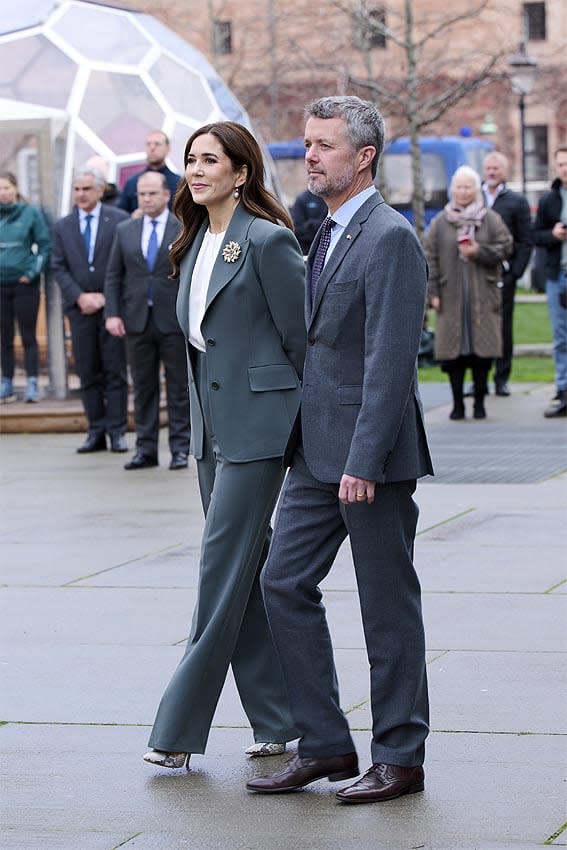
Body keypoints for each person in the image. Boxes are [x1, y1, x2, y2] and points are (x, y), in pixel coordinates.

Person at [246, 95, 433, 804]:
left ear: (363, 158)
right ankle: (323, 745)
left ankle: (400, 756)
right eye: (306, 143)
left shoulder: (389, 237)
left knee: (386, 607)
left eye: (323, 145)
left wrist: (362, 459)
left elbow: (390, 361)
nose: (309, 155)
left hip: (369, 460)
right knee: (281, 583)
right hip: (312, 450)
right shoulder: (320, 231)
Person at [143, 121, 306, 770]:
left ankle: (177, 728)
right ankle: (280, 718)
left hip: (259, 431)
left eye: (210, 159)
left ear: (242, 173)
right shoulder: (191, 244)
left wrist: (306, 431)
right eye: (190, 159)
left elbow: (302, 340)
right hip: (212, 434)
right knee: (245, 575)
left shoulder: (267, 241)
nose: (195, 169)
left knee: (219, 571)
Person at [104, 171, 190, 470]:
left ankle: (180, 448)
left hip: (172, 320)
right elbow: (114, 275)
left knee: (178, 387)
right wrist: (113, 313)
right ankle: (146, 449)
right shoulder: (126, 230)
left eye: (152, 193)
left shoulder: (183, 228)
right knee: (143, 388)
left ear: (166, 195)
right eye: (142, 194)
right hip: (136, 320)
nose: (147, 199)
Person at [51, 167, 130, 453]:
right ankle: (95, 429)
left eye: (86, 189)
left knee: (115, 372)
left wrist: (107, 300)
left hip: (112, 311)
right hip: (80, 310)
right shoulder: (63, 226)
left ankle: (117, 431)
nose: (81, 194)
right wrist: (80, 296)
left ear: (99, 191)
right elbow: (58, 265)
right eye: (77, 189)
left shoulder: (119, 221)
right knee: (87, 371)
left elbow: (123, 266)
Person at [425, 165, 513, 421]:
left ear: (476, 190)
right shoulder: (441, 222)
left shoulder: (490, 219)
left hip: (482, 295)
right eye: (459, 187)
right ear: (453, 190)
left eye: (468, 187)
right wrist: (434, 292)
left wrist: (479, 252)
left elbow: (506, 246)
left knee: (481, 352)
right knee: (453, 354)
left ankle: (480, 402)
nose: (463, 192)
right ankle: (457, 404)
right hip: (451, 296)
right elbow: (430, 257)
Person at [481, 152, 533, 396]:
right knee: (478, 327)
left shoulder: (516, 202)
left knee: (503, 328)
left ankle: (501, 378)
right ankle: (479, 378)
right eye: (488, 168)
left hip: (504, 276)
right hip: (476, 275)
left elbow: (525, 241)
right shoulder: (475, 197)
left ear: (504, 171)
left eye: (496, 168)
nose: (491, 172)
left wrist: (515, 274)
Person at [0, 172, 51, 404]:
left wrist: (31, 273)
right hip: (1, 286)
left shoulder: (30, 213)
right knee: (5, 337)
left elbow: (44, 245)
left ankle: (32, 382)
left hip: (24, 286)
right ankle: (7, 382)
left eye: (7, 188)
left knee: (28, 336)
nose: (3, 193)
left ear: (15, 189)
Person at [533, 146, 567, 418]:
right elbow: (535, 235)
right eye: (561, 164)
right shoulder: (549, 200)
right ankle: (563, 390)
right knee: (560, 337)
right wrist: (553, 235)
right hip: (558, 275)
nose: (564, 168)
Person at [119, 130, 180, 216]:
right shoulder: (132, 182)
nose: (152, 148)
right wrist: (132, 220)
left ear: (168, 149)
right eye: (148, 144)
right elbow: (120, 214)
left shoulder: (179, 184)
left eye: (157, 144)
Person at [290, 187, 327, 254]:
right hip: (306, 251)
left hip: (327, 249)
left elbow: (332, 226)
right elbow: (297, 229)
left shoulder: (329, 199)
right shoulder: (302, 199)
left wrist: (311, 224)